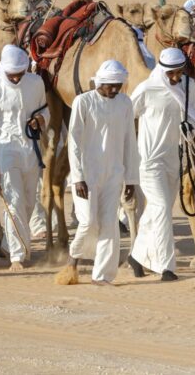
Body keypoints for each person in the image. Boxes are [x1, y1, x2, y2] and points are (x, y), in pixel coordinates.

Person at [128, 48, 195, 281]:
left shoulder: (188, 87)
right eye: (171, 73)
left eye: (179, 72)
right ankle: (166, 266)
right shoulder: (147, 89)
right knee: (159, 208)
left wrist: (188, 129)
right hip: (149, 160)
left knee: (159, 210)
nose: (175, 77)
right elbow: (127, 115)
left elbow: (192, 115)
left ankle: (137, 256)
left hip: (175, 158)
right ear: (162, 69)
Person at [56, 60, 138, 286]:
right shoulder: (83, 102)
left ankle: (102, 276)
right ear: (99, 82)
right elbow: (73, 142)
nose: (114, 90)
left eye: (118, 85)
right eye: (110, 85)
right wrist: (78, 176)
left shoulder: (125, 103)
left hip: (114, 173)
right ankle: (73, 258)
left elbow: (130, 140)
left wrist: (131, 178)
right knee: (88, 222)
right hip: (87, 175)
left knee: (110, 224)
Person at [0, 45, 49, 270]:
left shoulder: (36, 83)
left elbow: (44, 110)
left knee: (29, 203)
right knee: (14, 201)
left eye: (20, 73)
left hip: (31, 149)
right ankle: (17, 257)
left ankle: (11, 244)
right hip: (5, 151)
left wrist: (40, 119)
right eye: (12, 75)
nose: (17, 78)